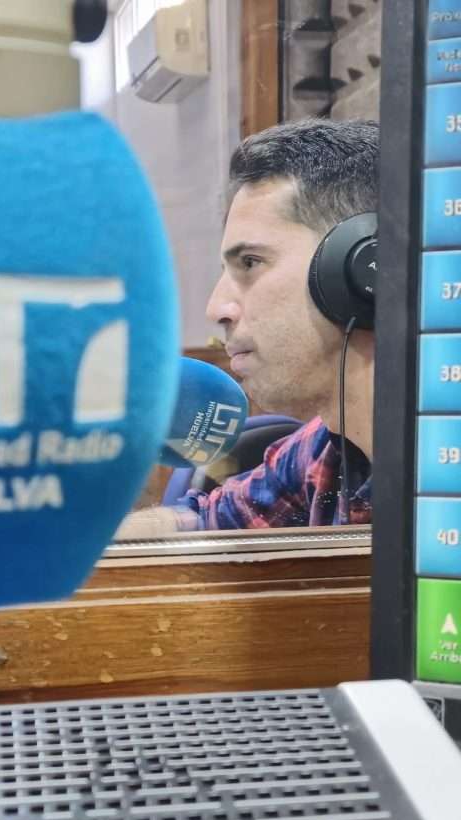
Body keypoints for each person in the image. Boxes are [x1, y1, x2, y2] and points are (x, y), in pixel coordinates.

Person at [118, 117, 378, 539]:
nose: (216, 308)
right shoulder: (325, 448)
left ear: (360, 269)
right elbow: (205, 519)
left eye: (251, 262)